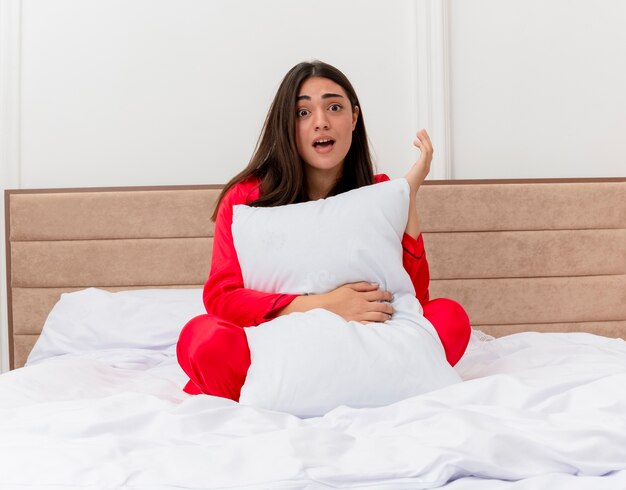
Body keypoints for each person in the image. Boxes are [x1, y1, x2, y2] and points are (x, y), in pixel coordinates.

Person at [177, 60, 471, 401]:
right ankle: (285, 392)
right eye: (303, 113)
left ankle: (352, 385)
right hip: (279, 348)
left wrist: (408, 195)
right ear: (285, 124)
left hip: (367, 342)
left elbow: (414, 299)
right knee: (202, 337)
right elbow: (222, 300)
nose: (321, 122)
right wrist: (325, 304)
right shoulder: (245, 198)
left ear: (354, 119)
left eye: (334, 107)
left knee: (449, 317)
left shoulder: (380, 191)